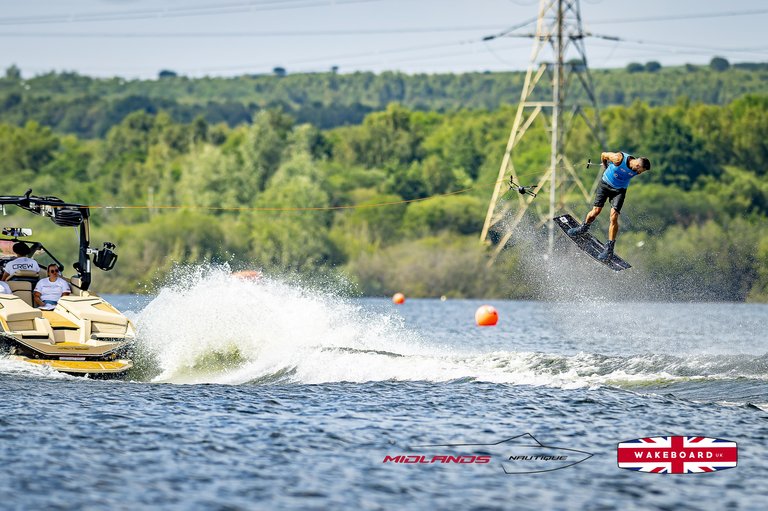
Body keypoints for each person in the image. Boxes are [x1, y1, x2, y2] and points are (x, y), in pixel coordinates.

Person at [567, 151, 651, 261]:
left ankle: (609, 249)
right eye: (641, 170)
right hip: (605, 185)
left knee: (614, 216)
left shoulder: (637, 170)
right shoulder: (618, 159)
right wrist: (606, 166)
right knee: (595, 212)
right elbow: (603, 154)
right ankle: (583, 228)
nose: (640, 173)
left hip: (619, 190)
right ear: (638, 165)